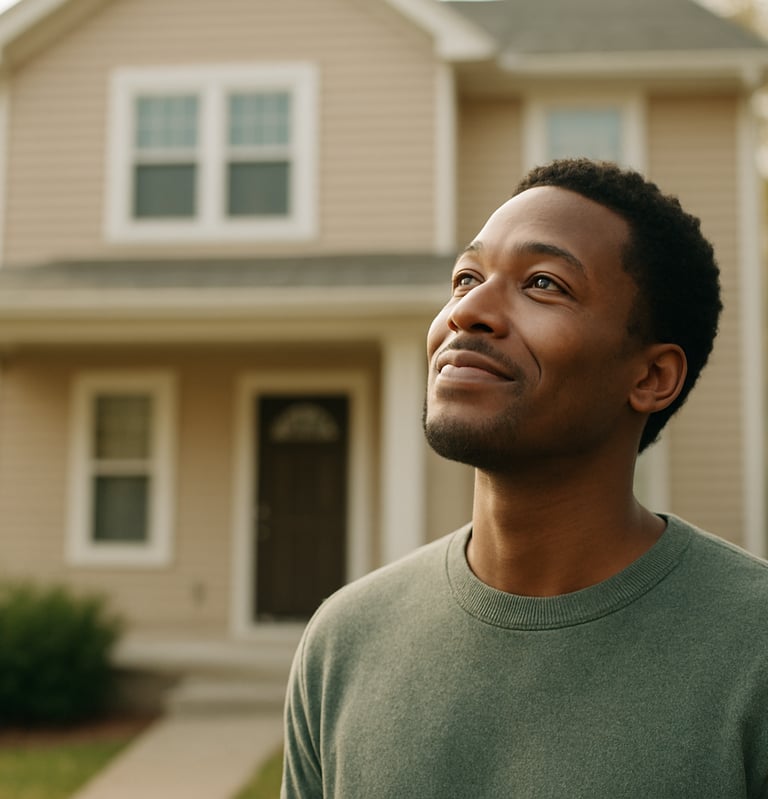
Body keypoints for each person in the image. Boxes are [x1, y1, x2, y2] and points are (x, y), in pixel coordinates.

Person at [281, 159, 768, 798]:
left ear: (650, 378)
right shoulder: (342, 643)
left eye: (543, 283)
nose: (468, 311)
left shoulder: (753, 648)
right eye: (466, 278)